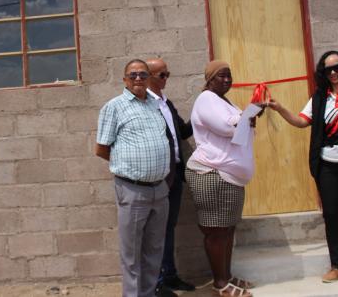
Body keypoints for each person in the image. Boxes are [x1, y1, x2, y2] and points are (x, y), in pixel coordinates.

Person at [267, 50, 338, 287]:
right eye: (328, 69)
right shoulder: (319, 98)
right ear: (323, 72)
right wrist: (279, 108)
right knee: (332, 216)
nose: (333, 73)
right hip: (327, 167)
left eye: (337, 67)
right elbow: (301, 121)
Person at [96, 59, 171, 297]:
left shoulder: (154, 105)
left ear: (149, 78)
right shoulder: (114, 107)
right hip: (132, 190)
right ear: (125, 79)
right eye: (133, 75)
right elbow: (102, 148)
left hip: (160, 190)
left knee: (154, 250)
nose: (138, 78)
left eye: (142, 74)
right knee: (131, 254)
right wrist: (128, 166)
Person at [184, 60, 259, 297]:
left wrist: (249, 116)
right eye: (221, 76)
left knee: (227, 230)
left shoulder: (225, 101)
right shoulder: (206, 99)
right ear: (210, 79)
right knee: (216, 231)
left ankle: (226, 277)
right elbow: (227, 128)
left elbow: (240, 133)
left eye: (229, 76)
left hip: (229, 176)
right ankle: (220, 285)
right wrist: (249, 115)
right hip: (212, 173)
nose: (227, 80)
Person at [145, 58, 195, 297]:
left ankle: (170, 275)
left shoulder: (166, 103)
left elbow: (182, 132)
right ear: (150, 76)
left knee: (169, 227)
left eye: (167, 74)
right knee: (156, 230)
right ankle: (156, 282)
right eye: (162, 75)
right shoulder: (144, 104)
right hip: (158, 177)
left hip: (174, 175)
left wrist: (201, 115)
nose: (166, 79)